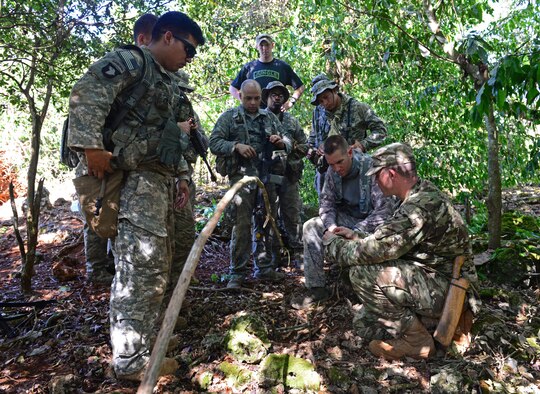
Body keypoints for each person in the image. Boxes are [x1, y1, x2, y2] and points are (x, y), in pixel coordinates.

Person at [68, 11, 205, 381]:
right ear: (168, 36)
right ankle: (130, 360)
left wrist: (180, 177)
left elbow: (169, 137)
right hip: (132, 181)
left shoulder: (169, 81)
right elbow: (88, 91)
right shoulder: (133, 61)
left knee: (157, 266)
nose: (188, 58)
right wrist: (90, 146)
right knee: (140, 269)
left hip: (157, 180)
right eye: (188, 50)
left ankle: (149, 342)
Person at [322, 142, 479, 360]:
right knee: (364, 325)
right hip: (431, 280)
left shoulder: (419, 208)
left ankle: (417, 342)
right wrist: (358, 237)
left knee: (362, 273)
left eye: (376, 176)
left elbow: (376, 251)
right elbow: (391, 241)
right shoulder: (418, 195)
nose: (374, 181)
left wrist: (333, 244)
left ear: (391, 174)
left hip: (450, 291)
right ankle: (426, 324)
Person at [292, 135, 397, 309]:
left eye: (339, 162)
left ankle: (370, 289)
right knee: (311, 226)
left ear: (350, 152)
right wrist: (331, 227)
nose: (336, 168)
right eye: (331, 164)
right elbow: (326, 204)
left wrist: (356, 230)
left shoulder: (371, 168)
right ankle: (316, 289)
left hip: (372, 223)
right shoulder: (333, 172)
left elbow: (385, 211)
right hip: (348, 219)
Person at [209, 79, 292, 289]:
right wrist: (235, 146)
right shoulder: (230, 117)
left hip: (266, 177)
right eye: (249, 98)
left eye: (256, 98)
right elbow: (214, 142)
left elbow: (288, 139)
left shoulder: (270, 118)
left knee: (266, 220)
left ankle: (264, 267)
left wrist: (281, 142)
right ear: (240, 97)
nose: (253, 103)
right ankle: (237, 272)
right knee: (242, 223)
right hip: (241, 178)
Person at [308, 74, 387, 194]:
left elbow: (381, 130)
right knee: (327, 208)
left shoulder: (357, 108)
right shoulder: (318, 113)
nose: (324, 103)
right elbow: (312, 140)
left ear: (335, 91)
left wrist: (362, 145)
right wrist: (315, 150)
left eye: (326, 97)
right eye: (320, 101)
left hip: (353, 171)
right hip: (326, 173)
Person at [261, 81, 307, 267]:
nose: (277, 97)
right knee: (267, 215)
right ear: (267, 97)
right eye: (274, 94)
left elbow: (305, 145)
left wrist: (288, 146)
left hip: (289, 175)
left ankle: (299, 254)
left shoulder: (291, 121)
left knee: (292, 214)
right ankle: (272, 256)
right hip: (267, 176)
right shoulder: (259, 118)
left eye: (281, 94)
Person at [229, 34, 304, 111]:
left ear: (272, 45)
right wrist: (244, 101)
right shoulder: (249, 67)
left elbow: (300, 87)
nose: (264, 48)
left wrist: (290, 103)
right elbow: (232, 88)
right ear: (257, 46)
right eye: (261, 45)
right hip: (254, 113)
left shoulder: (282, 66)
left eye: (267, 45)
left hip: (275, 113)